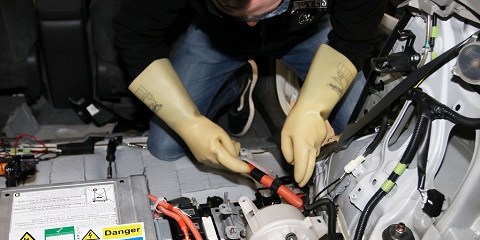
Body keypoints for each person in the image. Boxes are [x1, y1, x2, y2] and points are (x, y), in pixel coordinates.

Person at [114, 0, 387, 187]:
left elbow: (355, 36)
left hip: (308, 33)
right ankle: (238, 84)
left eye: (266, 11)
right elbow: (134, 35)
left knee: (364, 133)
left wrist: (313, 108)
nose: (252, 25)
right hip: (217, 38)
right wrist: (188, 122)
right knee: (165, 146)